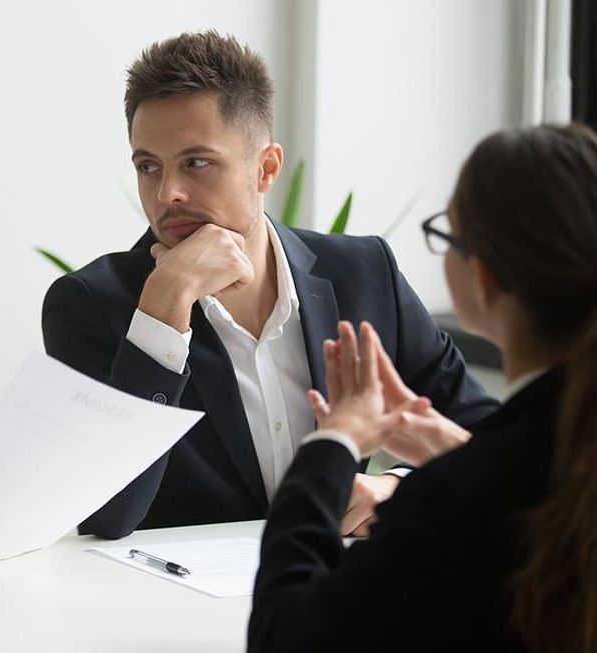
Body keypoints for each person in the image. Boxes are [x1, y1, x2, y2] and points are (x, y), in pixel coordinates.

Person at [41, 31, 497, 539]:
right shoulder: (89, 305)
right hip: (170, 609)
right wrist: (162, 312)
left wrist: (398, 485)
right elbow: (105, 515)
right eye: (149, 166)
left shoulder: (364, 273)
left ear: (266, 168)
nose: (168, 193)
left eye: (197, 162)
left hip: (333, 593)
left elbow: (494, 435)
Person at [248, 124, 597, 653]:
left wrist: (332, 446)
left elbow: (284, 636)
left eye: (446, 233)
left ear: (481, 278)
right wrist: (463, 451)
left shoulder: (451, 503)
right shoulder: (562, 455)